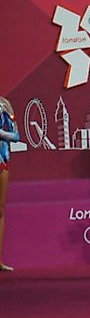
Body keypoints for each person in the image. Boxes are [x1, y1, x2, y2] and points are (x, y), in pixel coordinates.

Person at [0, 96, 19, 272]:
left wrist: (1, 133)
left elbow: (16, 135)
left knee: (0, 210)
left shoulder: (4, 104)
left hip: (1, 161)